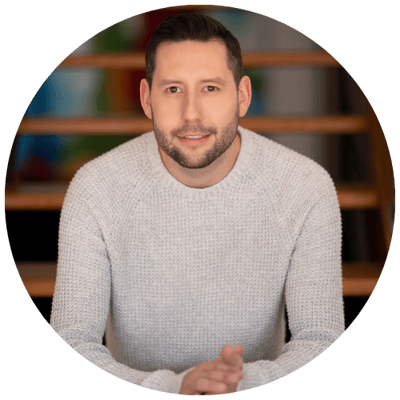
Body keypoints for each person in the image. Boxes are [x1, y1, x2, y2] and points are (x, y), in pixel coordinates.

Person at [50, 13, 344, 395]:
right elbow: (69, 346)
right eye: (173, 89)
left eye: (210, 88)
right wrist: (173, 387)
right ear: (146, 99)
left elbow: (322, 341)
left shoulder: (305, 187)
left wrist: (240, 382)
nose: (191, 114)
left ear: (242, 96)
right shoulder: (95, 188)